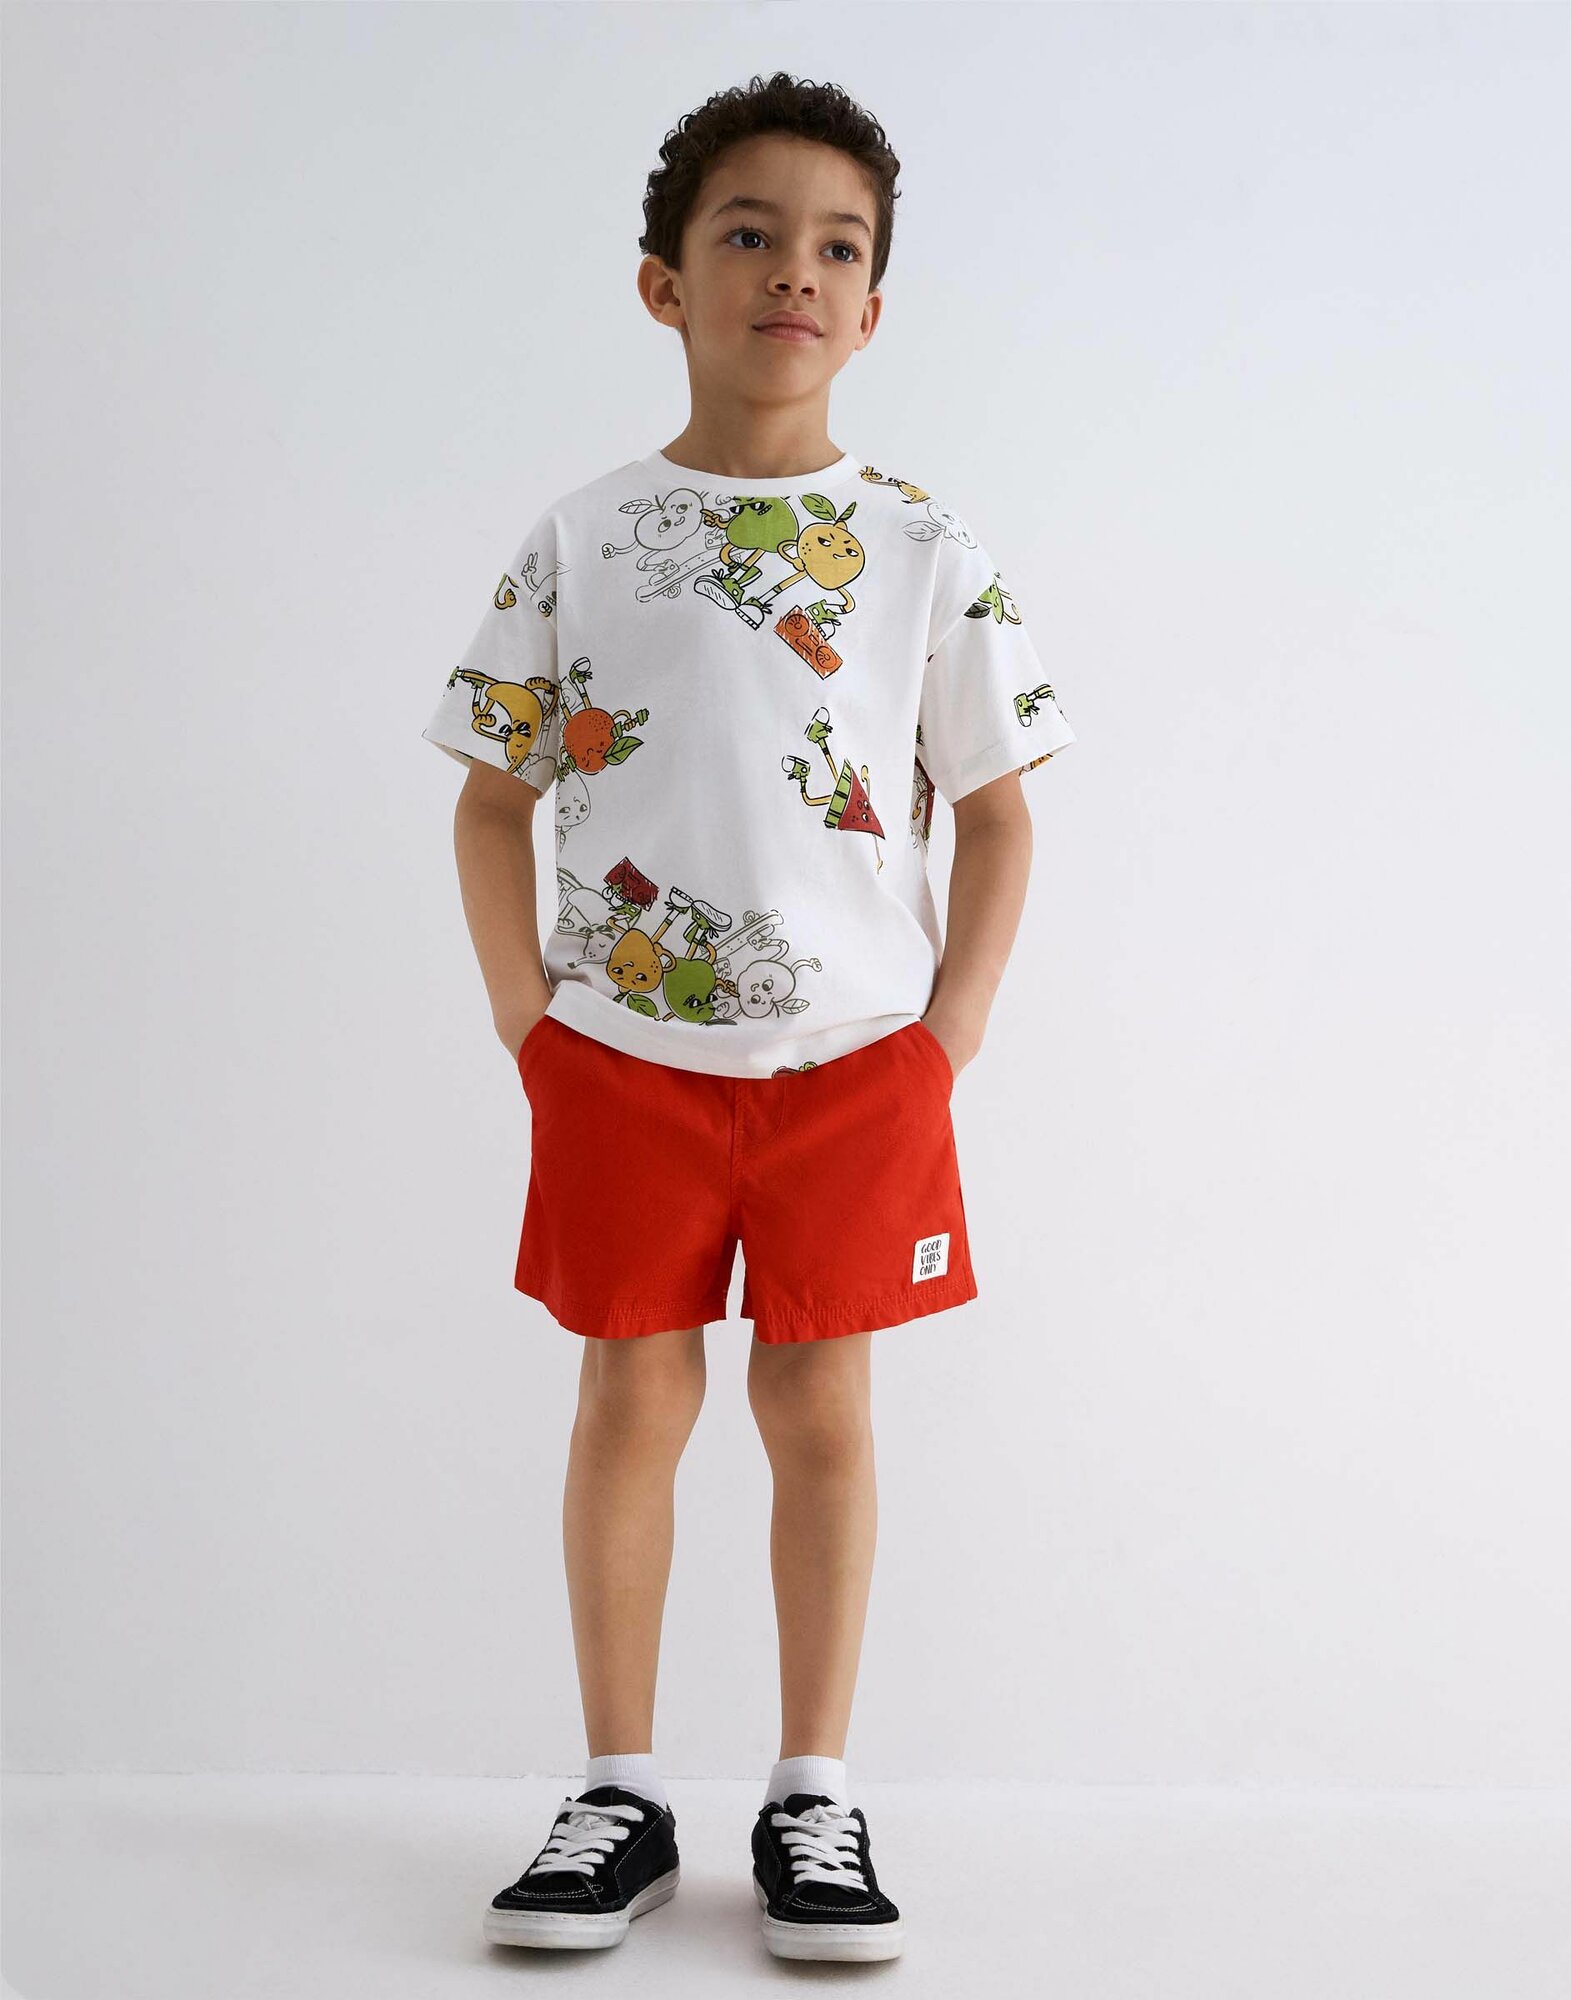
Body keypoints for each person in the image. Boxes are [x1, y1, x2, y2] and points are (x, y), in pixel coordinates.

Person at [421, 72, 1075, 1965]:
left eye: (837, 247)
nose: (796, 269)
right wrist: (529, 1022)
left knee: (822, 1406)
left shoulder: (926, 548)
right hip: (620, 1065)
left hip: (856, 1073)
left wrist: (946, 1037)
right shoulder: (584, 538)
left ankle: (813, 1794)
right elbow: (491, 797)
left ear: (872, 308)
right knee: (631, 1394)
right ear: (665, 283)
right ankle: (618, 1794)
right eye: (751, 234)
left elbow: (1001, 811)